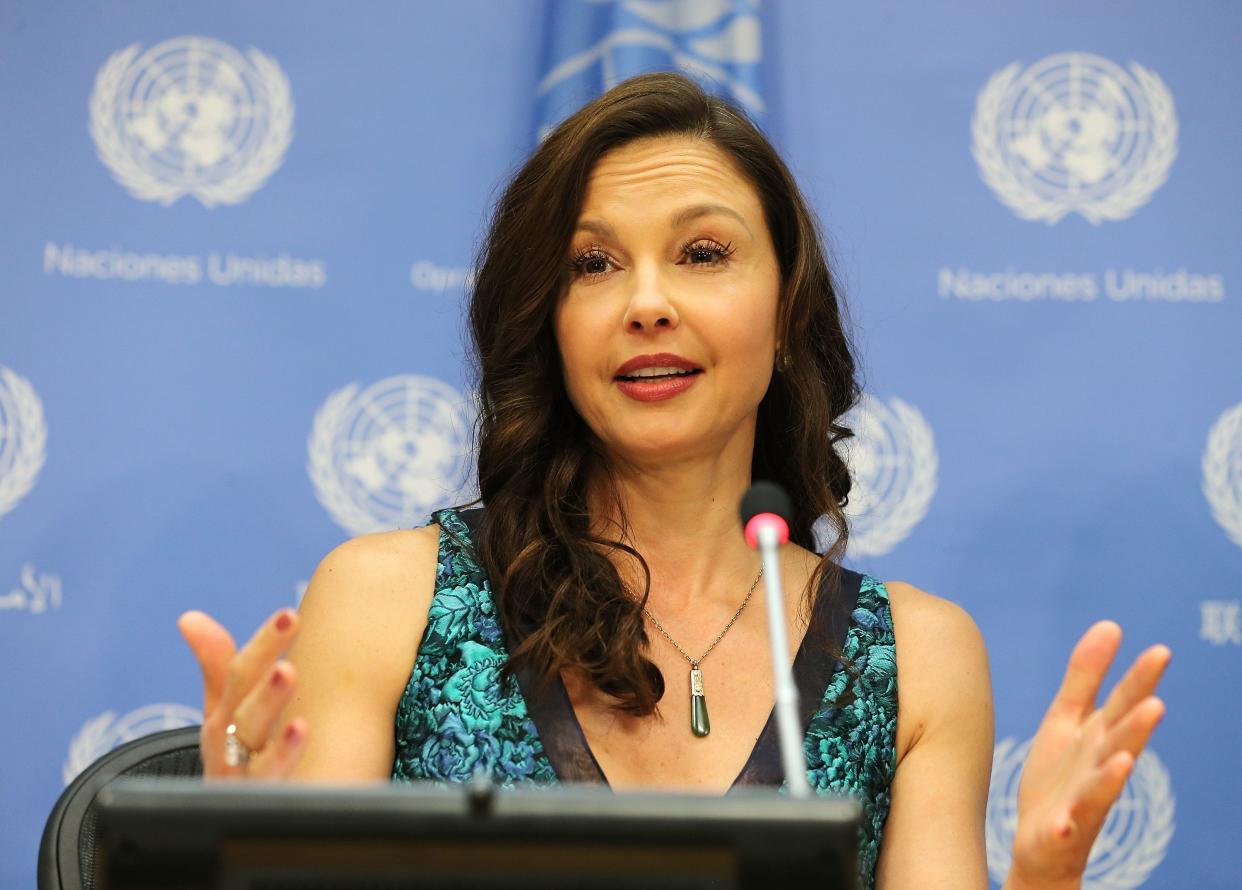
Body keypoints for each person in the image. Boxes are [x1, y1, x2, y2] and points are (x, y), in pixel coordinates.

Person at [178, 72, 1170, 889]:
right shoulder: (389, 599)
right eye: (594, 263)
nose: (647, 302)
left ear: (785, 310)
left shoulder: (916, 654)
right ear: (549, 322)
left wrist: (1045, 876)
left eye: (702, 253)